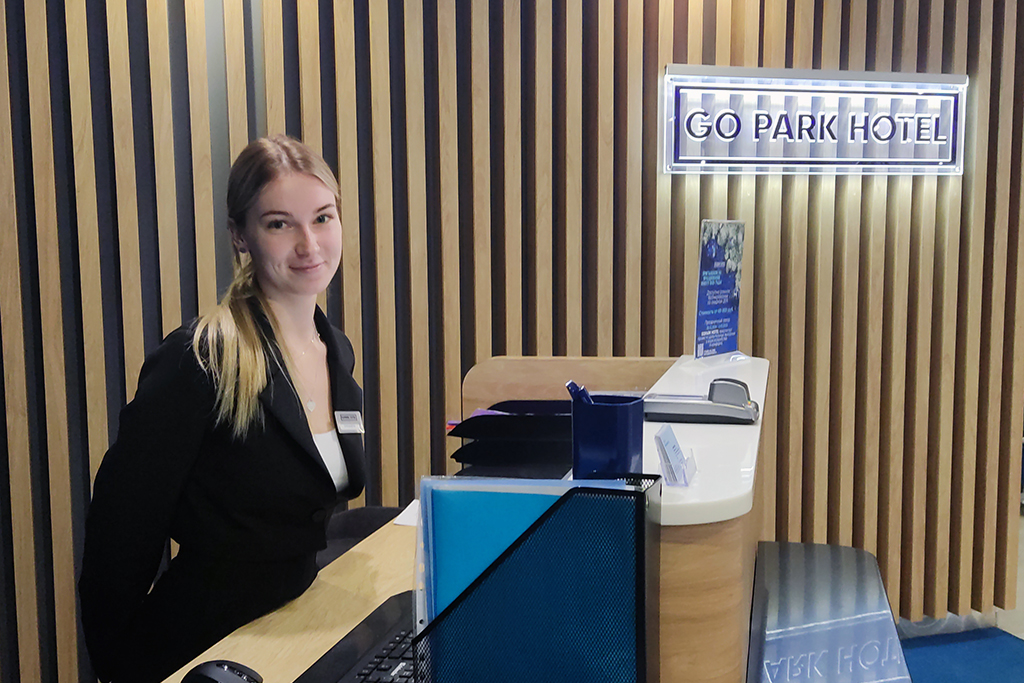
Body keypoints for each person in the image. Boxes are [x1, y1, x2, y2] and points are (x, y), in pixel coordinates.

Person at [78, 135, 366, 683]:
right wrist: (116, 670)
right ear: (240, 235)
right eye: (279, 224)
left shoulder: (337, 351)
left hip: (293, 629)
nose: (309, 244)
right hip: (204, 650)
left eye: (322, 218)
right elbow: (119, 538)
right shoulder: (199, 360)